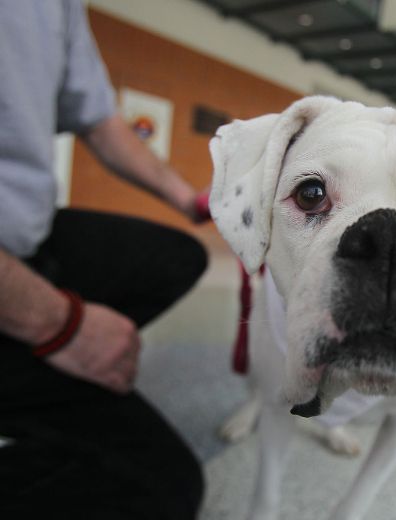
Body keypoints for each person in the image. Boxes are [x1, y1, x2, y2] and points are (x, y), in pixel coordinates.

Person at [0, 2, 208, 518]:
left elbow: (100, 120)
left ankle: (28, 376)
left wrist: (190, 199)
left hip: (27, 239)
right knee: (164, 487)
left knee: (176, 257)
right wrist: (61, 325)